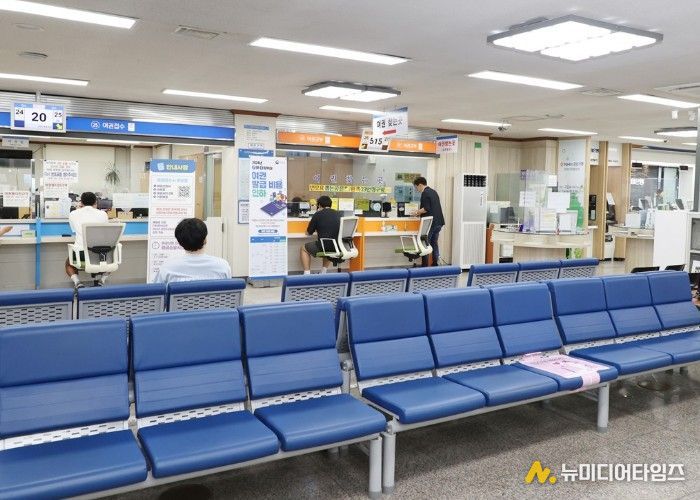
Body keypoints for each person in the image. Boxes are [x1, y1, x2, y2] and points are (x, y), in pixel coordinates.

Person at [154, 217, 231, 283]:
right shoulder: (222, 266)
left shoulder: (167, 268)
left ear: (180, 243)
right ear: (205, 240)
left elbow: (157, 292)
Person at [65, 191, 108, 287]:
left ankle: (77, 282)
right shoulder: (103, 214)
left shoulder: (73, 214)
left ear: (81, 202)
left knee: (69, 263)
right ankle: (102, 280)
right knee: (111, 258)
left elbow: (74, 230)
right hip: (100, 256)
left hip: (81, 256)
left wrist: (78, 209)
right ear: (95, 202)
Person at [300, 195, 340, 275]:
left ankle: (307, 273)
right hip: (337, 246)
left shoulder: (318, 214)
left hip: (324, 245)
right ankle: (323, 272)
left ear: (319, 205)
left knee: (303, 248)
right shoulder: (338, 214)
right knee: (328, 249)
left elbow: (308, 233)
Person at [412, 176, 445, 267]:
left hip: (430, 224)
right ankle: (435, 264)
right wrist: (419, 212)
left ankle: (425, 266)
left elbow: (426, 208)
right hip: (439, 222)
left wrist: (416, 212)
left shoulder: (425, 193)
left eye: (416, 187)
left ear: (420, 185)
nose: (417, 190)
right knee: (434, 243)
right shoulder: (433, 192)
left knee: (425, 244)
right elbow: (432, 207)